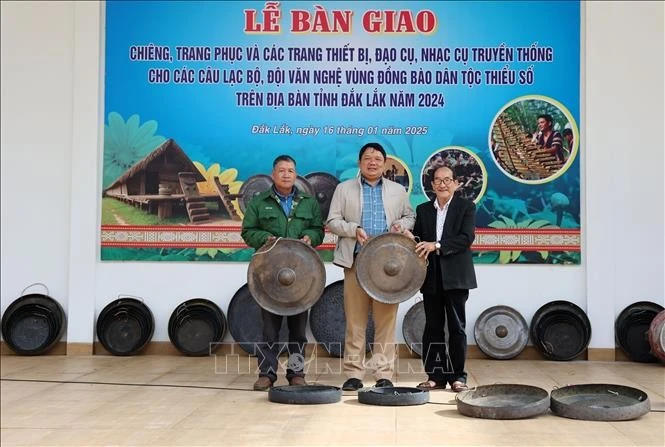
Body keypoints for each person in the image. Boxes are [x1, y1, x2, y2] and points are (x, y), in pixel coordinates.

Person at [326, 142, 415, 391]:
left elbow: (411, 216)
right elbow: (332, 220)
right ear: (360, 163)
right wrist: (353, 230)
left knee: (386, 322)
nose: (373, 162)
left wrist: (400, 225)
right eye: (367, 158)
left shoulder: (398, 190)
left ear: (385, 163)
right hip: (356, 262)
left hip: (388, 266)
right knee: (355, 321)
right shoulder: (344, 189)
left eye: (377, 158)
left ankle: (383, 373)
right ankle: (354, 374)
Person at [241, 155, 324, 391]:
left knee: (298, 331)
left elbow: (318, 229)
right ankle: (267, 374)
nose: (286, 174)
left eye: (290, 170)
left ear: (296, 174)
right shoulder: (259, 202)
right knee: (269, 329)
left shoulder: (308, 202)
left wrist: (311, 237)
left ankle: (296, 373)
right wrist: (263, 239)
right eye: (282, 170)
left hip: (301, 275)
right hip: (269, 275)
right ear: (273, 174)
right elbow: (247, 231)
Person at [404, 165, 477, 393]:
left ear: (456, 183)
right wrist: (410, 237)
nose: (442, 184)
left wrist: (436, 245)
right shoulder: (424, 209)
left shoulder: (466, 207)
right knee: (432, 328)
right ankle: (435, 376)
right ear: (432, 185)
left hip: (456, 277)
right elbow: (420, 241)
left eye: (447, 180)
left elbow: (466, 238)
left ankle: (458, 377)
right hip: (431, 277)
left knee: (456, 328)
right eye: (438, 180)